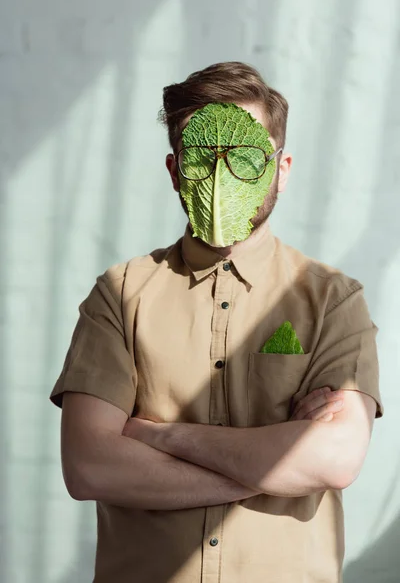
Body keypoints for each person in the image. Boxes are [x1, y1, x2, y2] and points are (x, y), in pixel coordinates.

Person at [49, 61, 383, 583]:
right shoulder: (118, 294)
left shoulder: (334, 301)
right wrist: (269, 467)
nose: (224, 175)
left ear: (282, 167)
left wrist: (163, 438)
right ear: (174, 169)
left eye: (246, 157)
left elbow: (335, 459)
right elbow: (90, 465)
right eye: (204, 156)